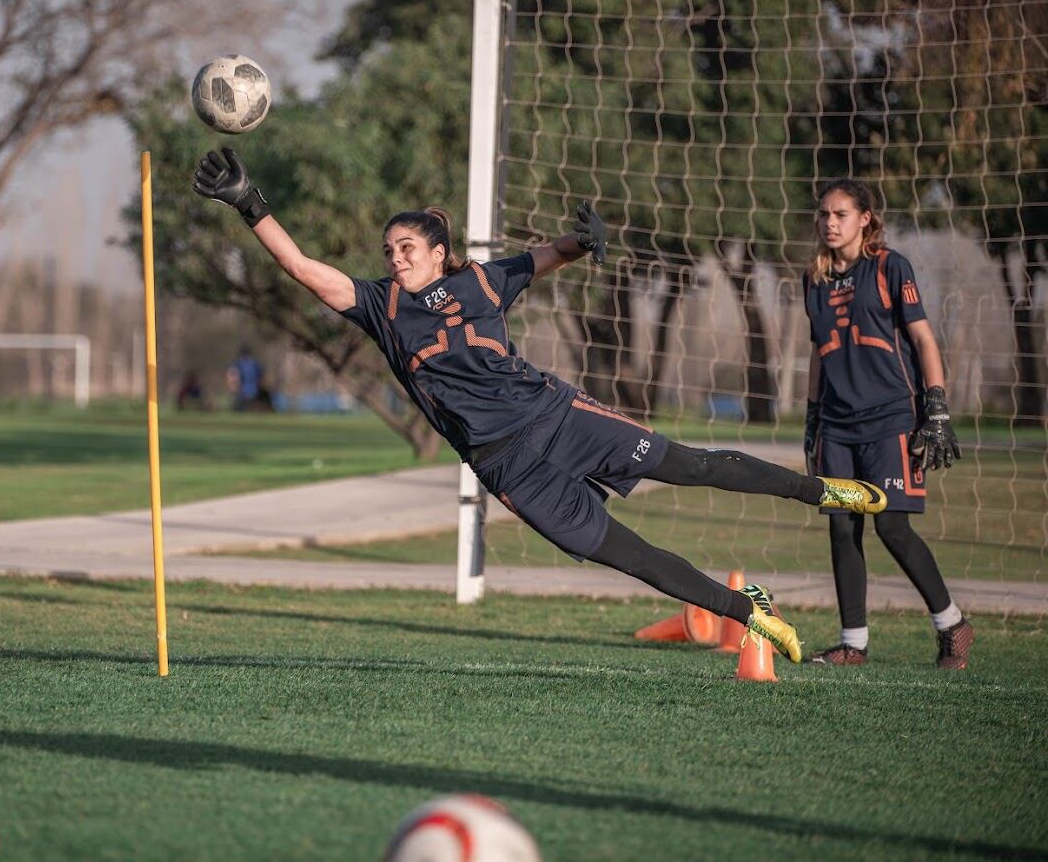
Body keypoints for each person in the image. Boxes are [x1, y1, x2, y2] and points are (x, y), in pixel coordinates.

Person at [192, 148, 889, 664]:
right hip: (507, 468)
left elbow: (551, 253)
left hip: (559, 417)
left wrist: (583, 243)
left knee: (691, 464)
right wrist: (251, 201)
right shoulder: (381, 305)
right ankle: (751, 613)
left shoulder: (487, 283)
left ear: (439, 252)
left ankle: (822, 490)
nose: (395, 256)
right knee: (628, 556)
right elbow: (302, 269)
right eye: (389, 249)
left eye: (407, 246)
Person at [802, 179, 971, 669]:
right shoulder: (812, 279)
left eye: (840, 214)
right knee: (840, 528)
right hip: (836, 424)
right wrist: (812, 418)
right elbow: (817, 353)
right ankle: (853, 644)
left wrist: (935, 407)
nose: (830, 223)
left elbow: (923, 339)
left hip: (891, 418)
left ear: (865, 219)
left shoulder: (890, 266)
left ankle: (952, 625)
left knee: (892, 526)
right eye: (824, 215)